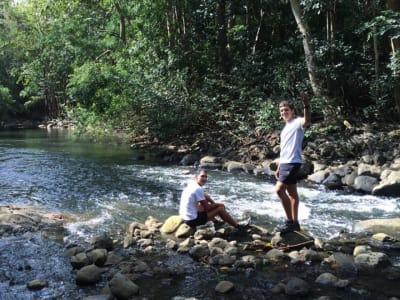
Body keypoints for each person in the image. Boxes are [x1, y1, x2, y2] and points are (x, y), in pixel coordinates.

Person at [274, 91, 311, 233]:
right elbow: (284, 149)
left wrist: (306, 105)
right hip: (285, 162)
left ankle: (289, 222)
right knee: (292, 193)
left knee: (279, 190)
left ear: (293, 112)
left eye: (286, 110)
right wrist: (278, 166)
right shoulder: (285, 128)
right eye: (282, 110)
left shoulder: (297, 123)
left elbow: (307, 121)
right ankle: (295, 222)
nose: (284, 112)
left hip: (292, 162)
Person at [179, 168, 243, 230]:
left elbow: (204, 197)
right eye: (202, 176)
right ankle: (237, 226)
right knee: (220, 208)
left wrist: (213, 203)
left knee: (206, 197)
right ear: (196, 176)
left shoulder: (191, 184)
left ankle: (215, 220)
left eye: (206, 177)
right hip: (192, 221)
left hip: (185, 218)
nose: (204, 178)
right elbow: (207, 208)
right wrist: (218, 204)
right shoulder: (198, 189)